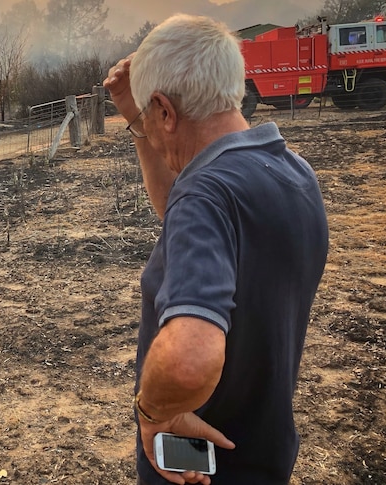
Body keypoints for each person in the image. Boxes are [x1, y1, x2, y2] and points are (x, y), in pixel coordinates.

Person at [102, 14, 328, 485]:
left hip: (198, 466)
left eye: (149, 116)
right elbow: (183, 219)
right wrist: (135, 118)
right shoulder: (291, 172)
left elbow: (189, 359)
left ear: (165, 111)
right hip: (262, 454)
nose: (147, 128)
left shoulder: (205, 196)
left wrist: (153, 414)